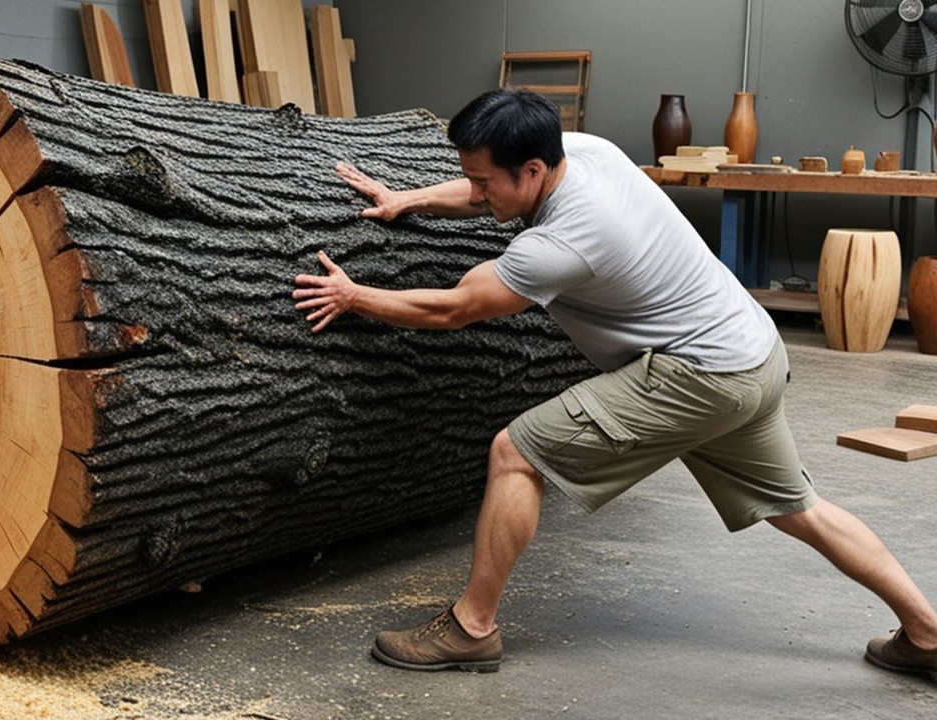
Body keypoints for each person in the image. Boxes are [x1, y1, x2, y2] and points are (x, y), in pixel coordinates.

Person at [291, 88, 937, 678]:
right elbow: (489, 190)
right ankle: (929, 633)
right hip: (750, 349)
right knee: (802, 510)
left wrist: (353, 297)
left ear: (534, 171)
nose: (475, 192)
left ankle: (471, 628)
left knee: (516, 454)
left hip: (700, 374)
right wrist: (410, 198)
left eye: (483, 181)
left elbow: (453, 308)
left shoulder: (567, 239)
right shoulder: (581, 149)